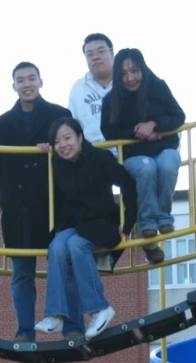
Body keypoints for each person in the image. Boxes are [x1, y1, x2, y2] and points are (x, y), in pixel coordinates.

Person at [0, 62, 85, 342]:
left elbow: (73, 159)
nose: (27, 84)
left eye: (32, 78)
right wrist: (7, 199)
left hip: (55, 205)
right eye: (21, 80)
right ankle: (24, 331)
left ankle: (74, 327)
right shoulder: (2, 123)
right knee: (21, 273)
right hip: (18, 208)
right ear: (14, 86)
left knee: (65, 267)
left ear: (41, 82)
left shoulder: (59, 115)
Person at [35, 118, 137, 341]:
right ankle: (55, 314)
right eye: (57, 141)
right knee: (57, 246)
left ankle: (100, 308)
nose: (63, 145)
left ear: (80, 137)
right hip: (76, 224)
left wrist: (127, 223)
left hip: (103, 222)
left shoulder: (100, 158)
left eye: (68, 138)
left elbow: (127, 184)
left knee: (75, 244)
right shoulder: (58, 163)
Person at [101, 48, 186, 264]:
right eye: (124, 74)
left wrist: (155, 124)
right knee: (147, 169)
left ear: (143, 69)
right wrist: (139, 132)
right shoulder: (112, 100)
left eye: (134, 71)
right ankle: (147, 223)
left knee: (167, 164)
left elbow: (178, 116)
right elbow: (108, 131)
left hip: (164, 147)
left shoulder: (158, 87)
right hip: (135, 153)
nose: (130, 78)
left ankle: (164, 216)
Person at [67, 33, 115, 145]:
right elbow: (72, 125)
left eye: (101, 51)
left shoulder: (127, 81)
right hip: (92, 155)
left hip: (127, 151)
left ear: (112, 53)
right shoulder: (78, 88)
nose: (95, 57)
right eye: (90, 54)